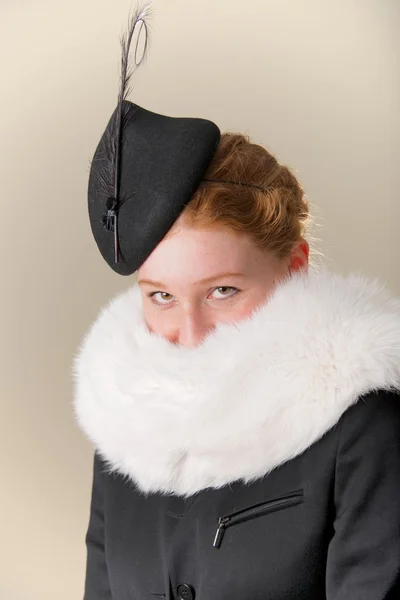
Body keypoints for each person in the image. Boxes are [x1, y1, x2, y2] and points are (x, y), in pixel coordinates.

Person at [73, 9, 400, 600]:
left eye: (223, 291)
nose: (190, 333)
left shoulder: (362, 425)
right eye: (162, 297)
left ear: (294, 266)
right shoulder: (124, 432)